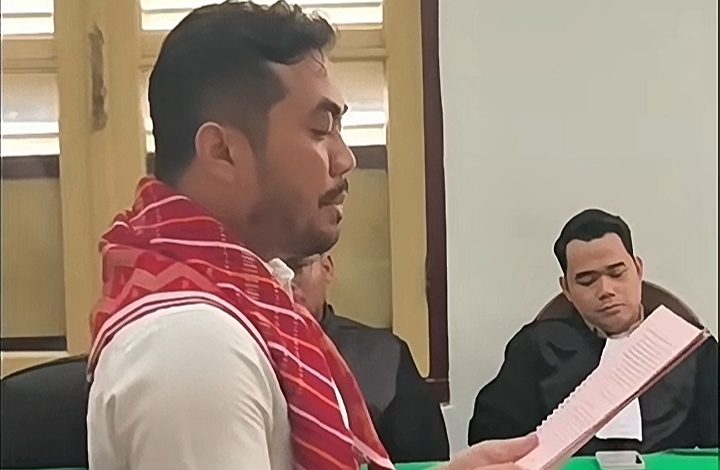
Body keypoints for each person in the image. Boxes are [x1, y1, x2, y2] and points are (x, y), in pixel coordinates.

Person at [86, 2, 540, 469]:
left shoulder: (246, 304)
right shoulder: (191, 348)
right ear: (222, 152)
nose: (345, 160)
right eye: (321, 130)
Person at [468, 209, 719, 455]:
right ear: (566, 289)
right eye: (587, 281)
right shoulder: (536, 348)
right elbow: (491, 441)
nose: (605, 290)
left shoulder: (692, 347)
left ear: (638, 269)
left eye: (617, 273)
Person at [287, 253, 450, 463]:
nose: (283, 281)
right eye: (267, 269)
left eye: (295, 268)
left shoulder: (383, 357)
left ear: (326, 268)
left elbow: (427, 462)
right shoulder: (249, 356)